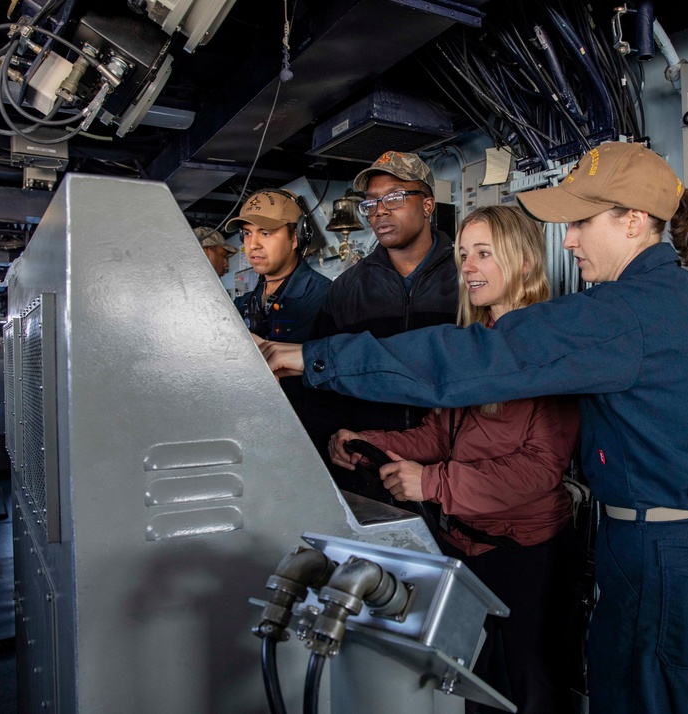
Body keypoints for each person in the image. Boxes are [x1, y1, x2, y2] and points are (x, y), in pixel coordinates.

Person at [265, 141, 688, 714]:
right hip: (682, 547)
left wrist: (309, 358)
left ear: (633, 221)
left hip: (663, 558)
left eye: (580, 222)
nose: (568, 240)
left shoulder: (624, 313)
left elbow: (470, 363)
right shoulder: (687, 303)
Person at [327, 205, 581, 713]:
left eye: (483, 254)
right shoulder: (477, 342)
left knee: (530, 682)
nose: (466, 267)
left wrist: (434, 484)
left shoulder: (553, 348)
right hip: (465, 543)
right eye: (464, 254)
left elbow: (539, 469)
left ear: (526, 262)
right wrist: (371, 440)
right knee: (474, 679)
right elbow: (442, 433)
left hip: (526, 552)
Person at [308, 151, 458, 502]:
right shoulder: (347, 289)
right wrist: (335, 443)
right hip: (367, 466)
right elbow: (322, 385)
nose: (379, 211)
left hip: (450, 467)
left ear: (427, 205)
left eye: (393, 197)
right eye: (370, 203)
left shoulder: (467, 279)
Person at [226, 189, 330, 344]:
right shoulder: (244, 303)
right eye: (247, 234)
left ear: (296, 237)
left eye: (265, 233)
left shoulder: (323, 297)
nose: (253, 245)